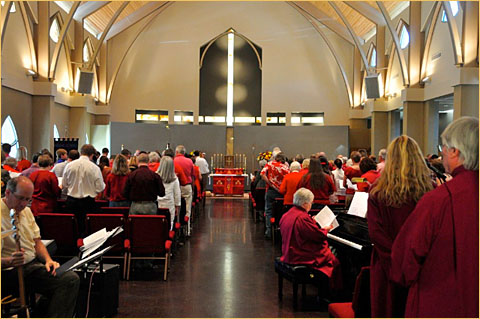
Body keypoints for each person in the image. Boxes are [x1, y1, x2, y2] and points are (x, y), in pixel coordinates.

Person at [391, 117, 479, 318]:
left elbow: (407, 256)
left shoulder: (439, 200)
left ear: (456, 151)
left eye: (444, 148)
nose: (443, 154)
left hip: (443, 301)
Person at [366, 135, 433, 317]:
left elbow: (376, 233)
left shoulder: (378, 191)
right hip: (421, 265)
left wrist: (395, 259)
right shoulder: (431, 190)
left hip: (386, 264)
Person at [1, 177, 80, 317]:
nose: (24, 204)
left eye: (28, 199)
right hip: (9, 272)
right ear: (7, 193)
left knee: (69, 279)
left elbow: (37, 241)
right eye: (20, 198)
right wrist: (9, 261)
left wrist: (48, 260)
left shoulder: (26, 211)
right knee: (66, 282)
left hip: (30, 266)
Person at [279, 188, 339, 280]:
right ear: (305, 204)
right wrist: (326, 229)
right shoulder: (302, 218)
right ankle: (330, 290)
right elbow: (317, 236)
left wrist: (312, 221)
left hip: (288, 252)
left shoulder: (288, 214)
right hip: (299, 256)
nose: (311, 205)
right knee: (333, 257)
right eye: (311, 202)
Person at [62, 144, 105, 235]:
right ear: (92, 155)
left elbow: (64, 185)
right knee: (87, 230)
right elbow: (100, 187)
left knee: (72, 229)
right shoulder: (94, 168)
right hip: (88, 202)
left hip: (71, 202)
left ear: (81, 153)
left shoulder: (69, 166)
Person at [261, 152, 289, 239]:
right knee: (280, 211)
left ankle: (269, 232)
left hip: (270, 190)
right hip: (281, 192)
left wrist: (269, 182)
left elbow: (262, 174)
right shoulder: (285, 167)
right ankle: (281, 231)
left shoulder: (269, 164)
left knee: (268, 211)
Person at [174, 145, 195, 235]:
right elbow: (193, 175)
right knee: (187, 208)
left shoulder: (173, 161)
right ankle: (187, 231)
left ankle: (177, 229)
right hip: (187, 186)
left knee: (177, 207)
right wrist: (193, 188)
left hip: (176, 186)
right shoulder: (189, 161)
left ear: (177, 152)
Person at [157, 156, 181, 230]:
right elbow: (177, 194)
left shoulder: (155, 176)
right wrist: (177, 205)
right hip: (169, 204)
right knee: (169, 225)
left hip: (157, 203)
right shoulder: (174, 179)